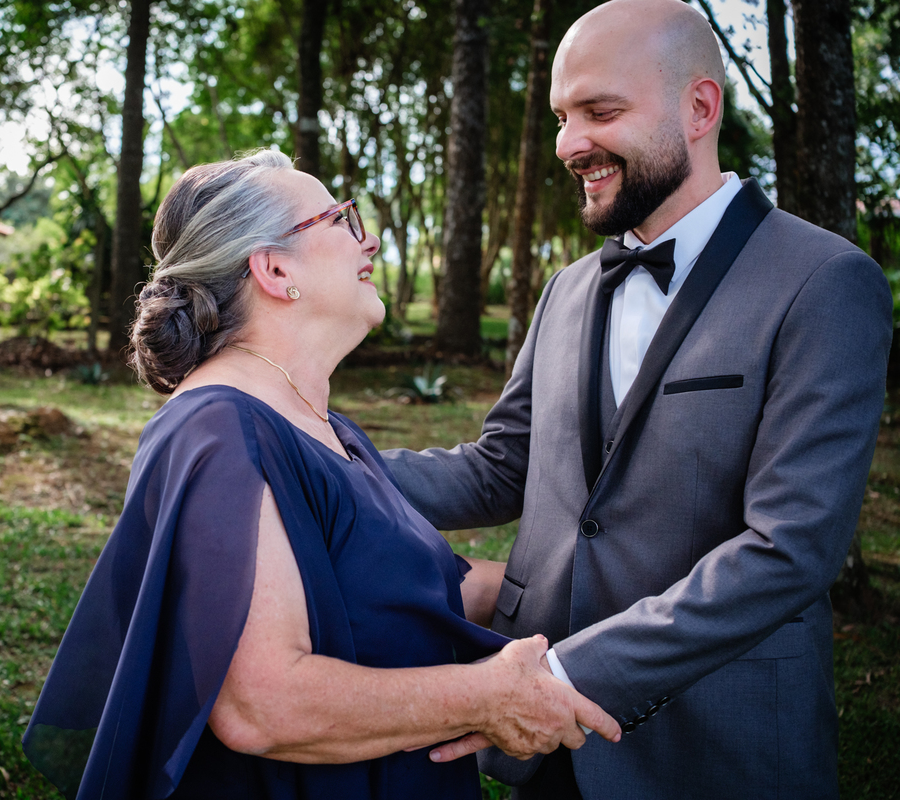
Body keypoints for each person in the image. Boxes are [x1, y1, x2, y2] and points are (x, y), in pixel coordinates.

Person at [381, 0, 892, 797]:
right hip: (545, 758)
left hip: (716, 748)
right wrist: (317, 459)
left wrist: (560, 673)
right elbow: (499, 468)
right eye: (560, 117)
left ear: (699, 108)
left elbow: (790, 548)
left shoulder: (824, 282)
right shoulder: (568, 290)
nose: (568, 144)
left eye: (600, 111)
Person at [21, 150, 619, 799]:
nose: (371, 238)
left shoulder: (326, 426)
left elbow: (431, 589)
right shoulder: (216, 429)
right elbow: (263, 706)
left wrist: (630, 591)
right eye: (342, 219)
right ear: (276, 269)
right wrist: (485, 696)